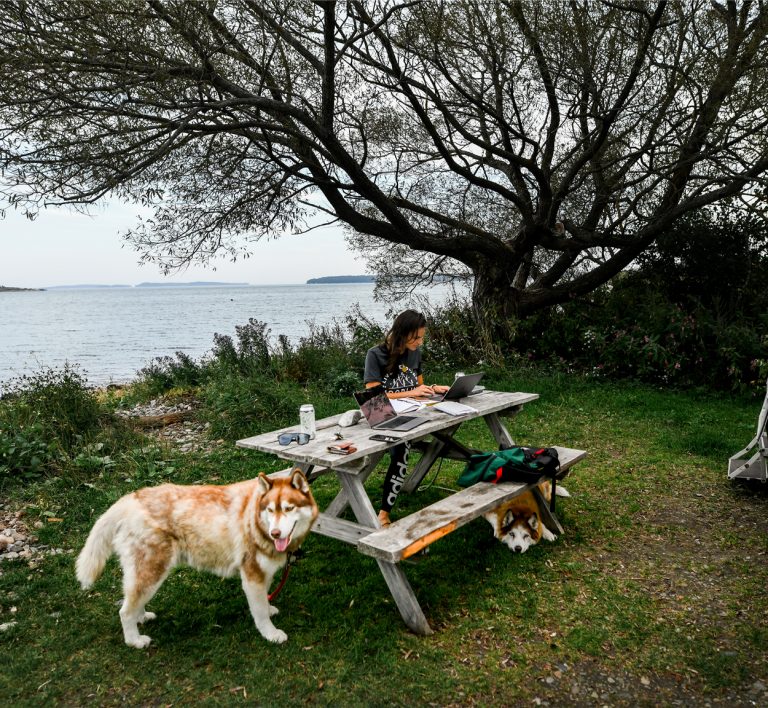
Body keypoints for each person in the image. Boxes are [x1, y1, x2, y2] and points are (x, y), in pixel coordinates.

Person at [363, 309, 450, 527]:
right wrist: (412, 392)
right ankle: (384, 514)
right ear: (402, 334)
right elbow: (373, 396)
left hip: (413, 411)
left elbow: (418, 386)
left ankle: (386, 508)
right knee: (402, 449)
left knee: (437, 432)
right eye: (417, 337)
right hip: (384, 415)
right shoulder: (375, 354)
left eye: (422, 337)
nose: (420, 342)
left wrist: (432, 388)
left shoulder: (414, 352)